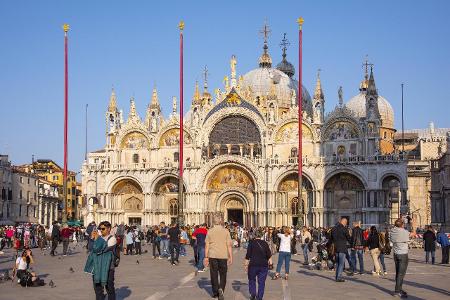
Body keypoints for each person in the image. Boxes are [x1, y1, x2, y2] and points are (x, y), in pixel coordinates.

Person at [84, 221, 117, 300]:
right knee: (97, 289)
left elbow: (103, 249)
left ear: (109, 229)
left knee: (109, 288)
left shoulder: (112, 239)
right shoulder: (99, 238)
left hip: (108, 267)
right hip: (97, 267)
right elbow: (91, 249)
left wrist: (97, 239)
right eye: (100, 229)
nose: (101, 230)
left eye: (103, 229)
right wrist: (91, 239)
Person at [204, 214, 233, 300]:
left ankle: (215, 292)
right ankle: (221, 289)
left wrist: (206, 257)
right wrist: (231, 257)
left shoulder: (210, 231)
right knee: (223, 274)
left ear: (213, 221)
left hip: (212, 256)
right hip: (223, 256)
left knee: (214, 274)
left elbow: (207, 245)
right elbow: (229, 246)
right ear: (220, 221)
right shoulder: (226, 231)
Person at [390, 217, 416, 298]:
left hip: (396, 254)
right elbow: (413, 234)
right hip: (403, 255)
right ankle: (397, 291)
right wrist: (413, 226)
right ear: (402, 225)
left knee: (398, 273)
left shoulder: (393, 231)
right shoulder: (403, 232)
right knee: (401, 274)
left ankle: (399, 289)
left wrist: (400, 220)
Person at [244, 230, 272, 300]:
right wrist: (271, 263)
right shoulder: (265, 243)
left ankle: (253, 294)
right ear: (261, 235)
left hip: (253, 265)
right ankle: (259, 297)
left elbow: (248, 255)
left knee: (251, 279)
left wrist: (245, 265)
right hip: (263, 265)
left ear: (254, 235)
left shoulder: (251, 243)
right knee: (261, 282)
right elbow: (269, 255)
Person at [331, 217, 351, 282]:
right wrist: (352, 244)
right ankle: (339, 277)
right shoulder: (344, 229)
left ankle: (337, 276)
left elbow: (331, 238)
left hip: (336, 248)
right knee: (341, 264)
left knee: (337, 263)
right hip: (342, 248)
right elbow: (349, 238)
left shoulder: (334, 228)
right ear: (344, 222)